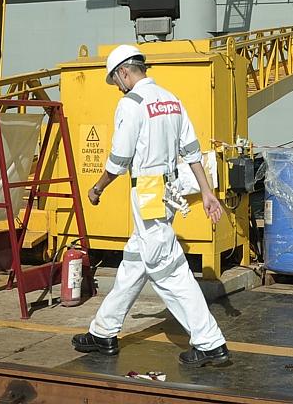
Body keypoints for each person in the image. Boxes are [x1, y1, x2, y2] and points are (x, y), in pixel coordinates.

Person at [71, 45, 231, 368]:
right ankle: (103, 332)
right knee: (133, 264)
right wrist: (207, 192)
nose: (117, 87)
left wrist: (97, 187)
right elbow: (192, 151)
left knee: (170, 272)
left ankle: (209, 341)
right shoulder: (171, 99)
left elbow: (118, 160)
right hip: (168, 194)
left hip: (147, 196)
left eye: (116, 80)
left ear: (124, 73)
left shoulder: (131, 104)